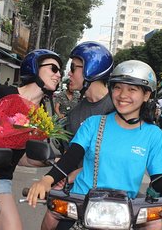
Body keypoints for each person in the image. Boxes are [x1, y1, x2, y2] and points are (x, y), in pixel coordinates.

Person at [27, 60, 162, 230]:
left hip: (124, 213)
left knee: (155, 225)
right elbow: (71, 156)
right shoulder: (93, 124)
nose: (122, 95)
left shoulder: (153, 135)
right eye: (117, 87)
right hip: (80, 205)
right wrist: (46, 180)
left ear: (147, 95)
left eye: (132, 89)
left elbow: (158, 179)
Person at [0, 49, 63, 230]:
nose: (59, 75)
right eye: (54, 69)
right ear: (35, 68)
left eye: (60, 71)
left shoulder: (41, 117)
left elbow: (22, 157)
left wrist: (52, 161)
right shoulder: (2, 92)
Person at [42, 41, 115, 230]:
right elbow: (71, 156)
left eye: (74, 68)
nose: (69, 74)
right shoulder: (75, 114)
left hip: (114, 200)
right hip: (79, 194)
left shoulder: (117, 109)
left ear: (91, 69)